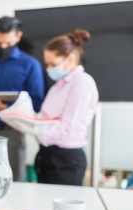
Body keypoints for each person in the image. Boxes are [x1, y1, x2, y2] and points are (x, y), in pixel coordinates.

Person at [0, 16, 45, 182]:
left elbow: (36, 105)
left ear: (18, 37)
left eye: (8, 43)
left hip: (12, 135)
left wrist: (3, 108)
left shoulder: (30, 65)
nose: (3, 46)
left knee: (13, 185)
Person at [33, 29, 98, 185]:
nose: (48, 68)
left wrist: (36, 130)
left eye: (52, 64)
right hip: (46, 154)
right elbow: (47, 116)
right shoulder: (58, 86)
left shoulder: (82, 83)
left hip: (66, 161)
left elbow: (68, 126)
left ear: (69, 59)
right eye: (47, 64)